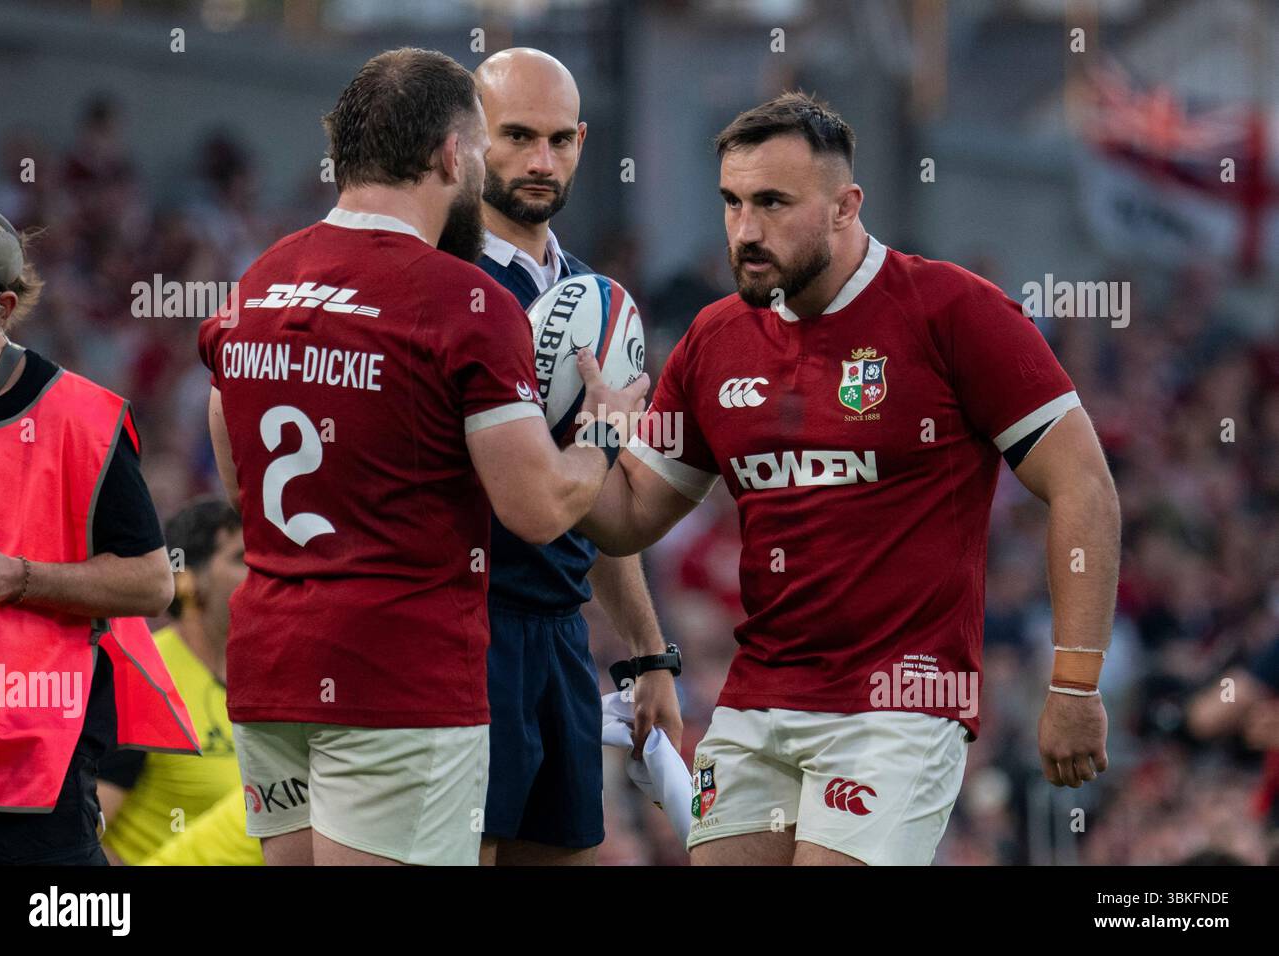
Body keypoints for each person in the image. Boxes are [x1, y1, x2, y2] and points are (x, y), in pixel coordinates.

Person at [578, 92, 1120, 866]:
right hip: (756, 700)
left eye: (772, 203)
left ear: (845, 205)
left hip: (899, 708)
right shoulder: (714, 338)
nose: (745, 230)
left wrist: (1074, 684)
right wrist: (578, 436)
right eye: (732, 203)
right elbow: (627, 515)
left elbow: (1084, 485)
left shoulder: (954, 311)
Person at [197, 47, 646, 866]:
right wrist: (605, 430)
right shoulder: (459, 297)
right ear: (453, 154)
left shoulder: (258, 281)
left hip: (273, 670)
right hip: (399, 671)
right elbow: (539, 509)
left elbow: (237, 474)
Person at [471, 48, 682, 866]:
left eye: (560, 139)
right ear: (467, 138)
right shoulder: (445, 286)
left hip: (557, 637)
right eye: (517, 135)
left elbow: (597, 500)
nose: (540, 161)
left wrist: (643, 654)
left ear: (585, 141)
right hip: (468, 633)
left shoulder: (596, 298)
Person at [0, 202, 197, 865]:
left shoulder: (81, 418)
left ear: (0, 306)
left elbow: (152, 582)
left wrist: (20, 577)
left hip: (34, 777)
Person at [97, 498, 246, 865]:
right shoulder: (147, 675)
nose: (262, 572)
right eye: (240, 559)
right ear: (187, 581)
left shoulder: (270, 678)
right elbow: (83, 833)